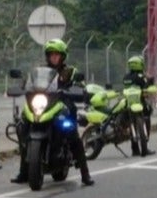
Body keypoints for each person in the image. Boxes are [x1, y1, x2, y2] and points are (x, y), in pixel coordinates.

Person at [10, 38, 94, 186]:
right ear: (47, 56)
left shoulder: (70, 71)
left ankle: (85, 174)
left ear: (63, 56)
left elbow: (81, 86)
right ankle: (24, 172)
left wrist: (79, 90)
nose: (54, 57)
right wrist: (22, 86)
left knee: (72, 133)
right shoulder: (39, 71)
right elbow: (28, 84)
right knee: (23, 125)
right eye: (51, 54)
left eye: (57, 55)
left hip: (62, 105)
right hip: (42, 104)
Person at [123, 55, 156, 156]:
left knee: (131, 124)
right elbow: (147, 87)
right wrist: (150, 80)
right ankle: (145, 144)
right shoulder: (142, 77)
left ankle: (135, 148)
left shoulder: (126, 77)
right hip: (140, 101)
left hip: (128, 102)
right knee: (146, 120)